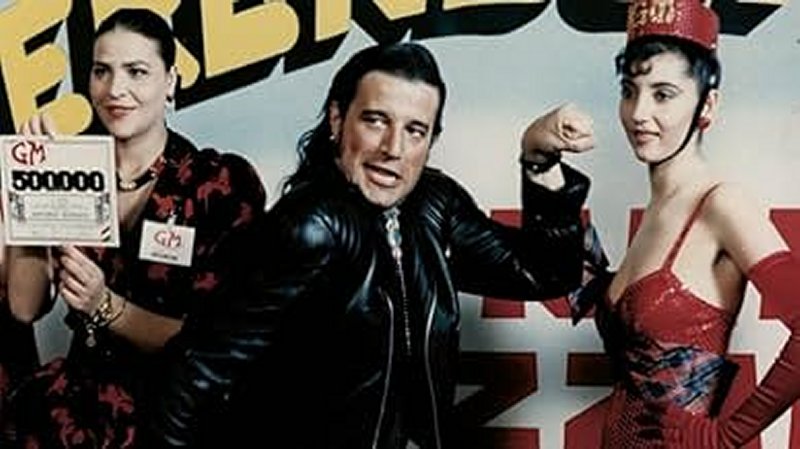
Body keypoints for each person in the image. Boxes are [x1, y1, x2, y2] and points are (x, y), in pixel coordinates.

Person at [140, 41, 594, 448]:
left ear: (431, 141)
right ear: (337, 119)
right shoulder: (310, 226)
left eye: (415, 130)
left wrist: (539, 158)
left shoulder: (434, 205)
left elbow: (544, 273)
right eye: (376, 121)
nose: (393, 148)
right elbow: (195, 372)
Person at [524, 0, 800, 447]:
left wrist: (726, 436)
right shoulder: (660, 210)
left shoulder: (722, 204)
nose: (638, 113)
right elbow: (562, 276)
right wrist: (536, 154)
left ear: (707, 105)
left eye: (663, 94)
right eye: (629, 90)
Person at [4, 8, 266, 448]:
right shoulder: (72, 169)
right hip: (74, 416)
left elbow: (220, 339)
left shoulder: (216, 184)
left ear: (171, 82)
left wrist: (105, 306)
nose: (115, 90)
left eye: (136, 72)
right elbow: (25, 308)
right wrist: (29, 187)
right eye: (101, 71)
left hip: (177, 417)